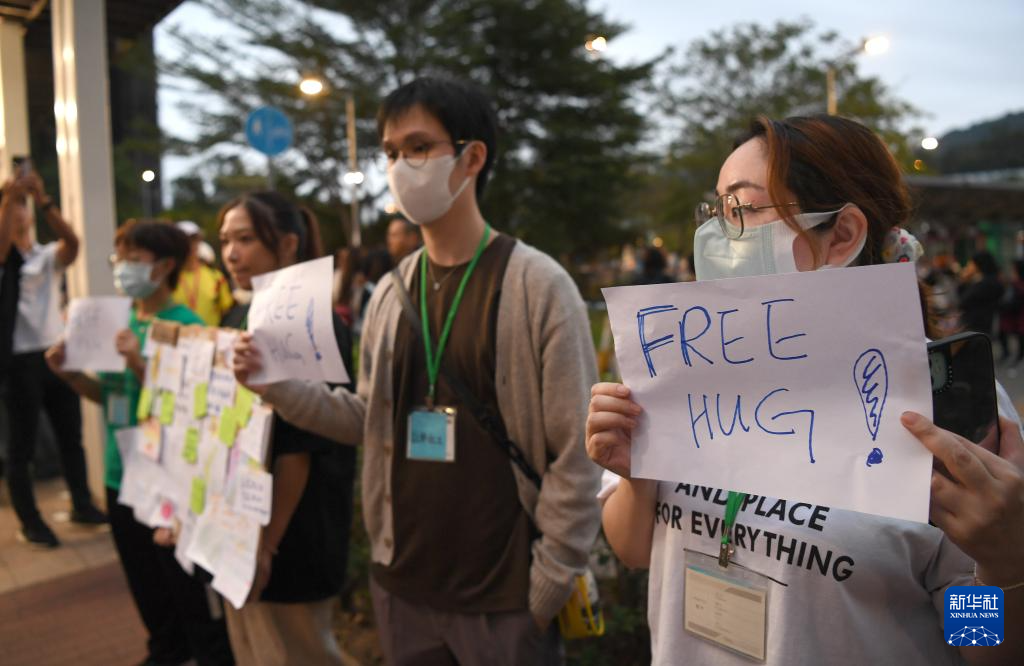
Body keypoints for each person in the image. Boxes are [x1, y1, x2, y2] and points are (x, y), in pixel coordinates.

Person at [586, 115, 1024, 664]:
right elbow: (634, 551)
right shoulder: (685, 367)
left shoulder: (941, 410)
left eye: (743, 209)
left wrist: (1004, 565)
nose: (716, 233)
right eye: (717, 210)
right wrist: (637, 474)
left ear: (842, 235)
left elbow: (979, 648)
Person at [231, 77, 602, 665]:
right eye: (390, 151)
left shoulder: (537, 286)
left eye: (419, 147)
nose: (401, 165)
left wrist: (548, 582)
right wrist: (274, 386)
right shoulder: (390, 292)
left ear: (472, 158)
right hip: (402, 587)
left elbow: (577, 452)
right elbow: (365, 416)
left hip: (505, 598)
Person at [46, 220, 234, 666]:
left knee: (182, 582)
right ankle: (165, 651)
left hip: (167, 479)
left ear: (165, 266)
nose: (122, 268)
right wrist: (69, 376)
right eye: (120, 258)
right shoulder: (121, 320)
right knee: (143, 581)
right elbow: (107, 395)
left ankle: (200, 652)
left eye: (133, 259)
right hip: (120, 473)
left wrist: (137, 362)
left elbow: (190, 407)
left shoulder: (186, 327)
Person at [216, 190, 356, 666]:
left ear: (289, 243)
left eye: (245, 239)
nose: (231, 253)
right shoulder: (239, 314)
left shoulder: (310, 322)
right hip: (243, 527)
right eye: (225, 241)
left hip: (293, 534)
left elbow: (299, 450)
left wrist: (266, 545)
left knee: (300, 650)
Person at [0, 169, 106, 548]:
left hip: (57, 354)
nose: (19, 211)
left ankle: (82, 503)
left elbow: (72, 243)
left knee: (70, 436)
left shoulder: (46, 257)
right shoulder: (6, 259)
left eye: (21, 206)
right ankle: (30, 521)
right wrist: (8, 197)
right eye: (12, 206)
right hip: (19, 363)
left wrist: (43, 199)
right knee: (21, 447)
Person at [172, 220, 233, 326]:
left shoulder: (216, 277)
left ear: (199, 241)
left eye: (193, 239)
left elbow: (226, 311)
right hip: (174, 335)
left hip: (209, 336)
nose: (189, 244)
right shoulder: (167, 278)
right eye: (183, 240)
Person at [958, 250, 1003, 337]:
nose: (967, 267)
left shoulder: (986, 283)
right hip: (977, 326)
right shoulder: (984, 281)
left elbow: (963, 301)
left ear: (978, 264)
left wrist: (964, 281)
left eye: (970, 264)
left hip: (978, 327)